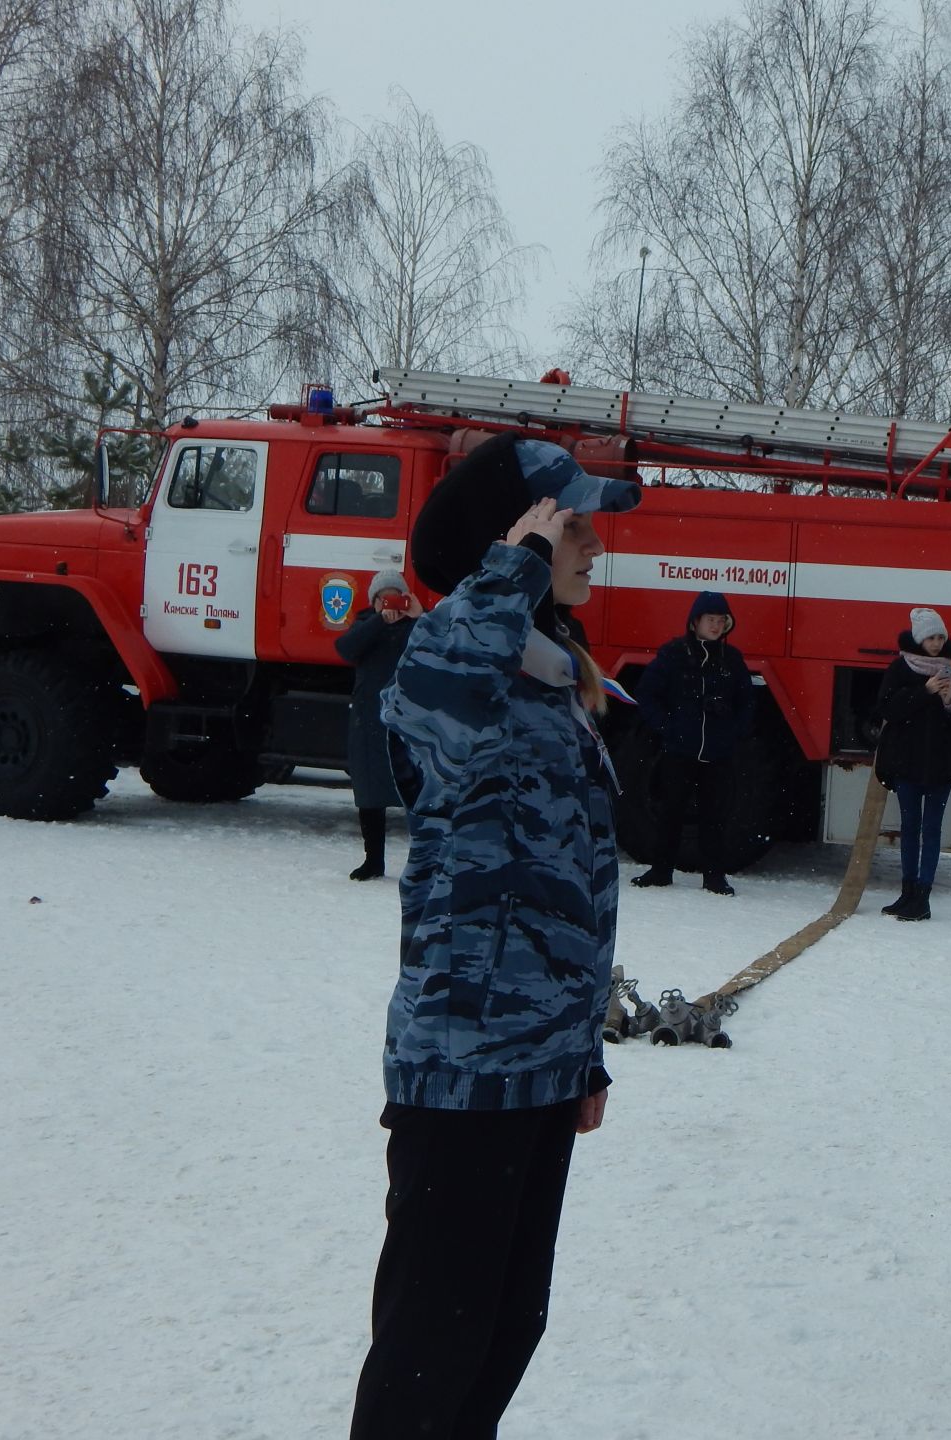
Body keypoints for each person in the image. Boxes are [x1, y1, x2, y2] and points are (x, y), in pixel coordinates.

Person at [350, 432, 640, 1440]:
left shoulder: (548, 675)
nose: (593, 543)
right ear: (510, 538)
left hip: (537, 1068)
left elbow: (563, 889)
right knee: (432, 1352)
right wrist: (511, 563)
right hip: (463, 1069)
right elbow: (436, 700)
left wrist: (581, 1056)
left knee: (506, 1329)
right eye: (572, 523)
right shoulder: (447, 662)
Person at [632, 591, 757, 896]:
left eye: (721, 621)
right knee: (670, 811)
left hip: (718, 753)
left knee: (714, 815)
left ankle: (714, 876)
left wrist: (734, 729)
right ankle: (660, 871)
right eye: (710, 620)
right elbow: (646, 694)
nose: (715, 626)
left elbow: (748, 702)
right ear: (695, 622)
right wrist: (666, 726)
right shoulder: (673, 654)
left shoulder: (732, 660)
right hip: (679, 750)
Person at [873, 606, 951, 922]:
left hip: (941, 767)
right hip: (907, 764)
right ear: (919, 639)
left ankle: (923, 896)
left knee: (931, 830)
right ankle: (906, 892)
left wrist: (947, 703)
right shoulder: (901, 670)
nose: (936, 643)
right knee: (909, 828)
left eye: (940, 638)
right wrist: (924, 692)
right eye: (931, 637)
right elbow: (888, 708)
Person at [334, 570, 422, 881]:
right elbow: (345, 649)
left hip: (409, 719)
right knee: (369, 791)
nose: (391, 602)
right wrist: (378, 620)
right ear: (373, 601)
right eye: (383, 597)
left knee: (419, 793)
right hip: (370, 717)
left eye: (396, 595)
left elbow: (442, 646)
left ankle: (424, 861)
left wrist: (419, 616)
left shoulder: (417, 627)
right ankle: (374, 860)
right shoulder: (365, 624)